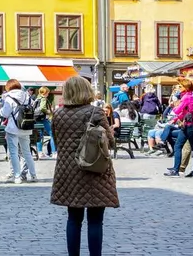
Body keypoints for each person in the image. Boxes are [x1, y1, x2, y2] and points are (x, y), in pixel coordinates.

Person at [51, 76, 119, 256]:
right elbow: (110, 143)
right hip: (95, 170)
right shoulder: (96, 113)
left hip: (68, 171)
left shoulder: (58, 114)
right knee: (95, 221)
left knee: (73, 219)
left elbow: (57, 142)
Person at [164, 77, 193, 178]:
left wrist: (173, 105)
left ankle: (176, 170)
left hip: (188, 125)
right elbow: (186, 112)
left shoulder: (187, 97)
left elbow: (177, 110)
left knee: (178, 146)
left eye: (180, 86)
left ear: (185, 87)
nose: (179, 88)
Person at [0, 79, 37, 184]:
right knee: (27, 153)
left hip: (13, 128)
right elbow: (33, 107)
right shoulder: (27, 96)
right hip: (26, 127)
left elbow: (5, 114)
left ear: (8, 87)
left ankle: (17, 176)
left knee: (13, 153)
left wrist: (0, 110)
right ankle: (33, 175)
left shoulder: (9, 97)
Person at [35, 87, 57, 159]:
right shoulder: (43, 98)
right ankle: (54, 153)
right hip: (43, 119)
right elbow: (42, 108)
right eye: (47, 92)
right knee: (52, 134)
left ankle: (40, 153)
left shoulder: (37, 98)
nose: (48, 94)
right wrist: (49, 111)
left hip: (37, 119)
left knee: (39, 136)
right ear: (44, 92)